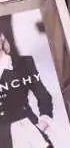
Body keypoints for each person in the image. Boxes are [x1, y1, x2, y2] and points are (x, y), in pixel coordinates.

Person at [0, 15, 54, 148]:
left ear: (2, 36)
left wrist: (40, 125)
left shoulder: (24, 63)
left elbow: (44, 96)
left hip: (30, 134)